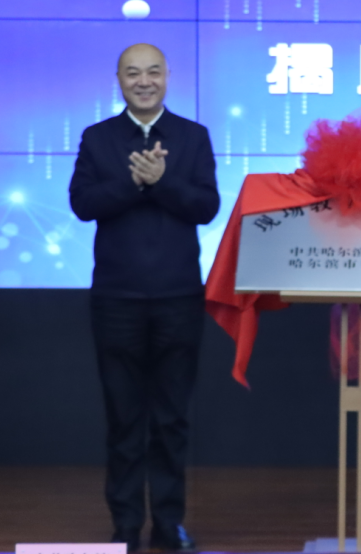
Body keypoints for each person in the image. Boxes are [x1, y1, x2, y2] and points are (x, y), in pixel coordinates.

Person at [69, 43, 220, 552]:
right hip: (117, 300)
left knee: (171, 419)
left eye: (153, 72)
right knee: (124, 418)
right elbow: (83, 204)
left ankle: (170, 524)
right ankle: (126, 525)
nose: (144, 81)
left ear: (167, 77)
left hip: (178, 298)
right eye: (133, 73)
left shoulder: (193, 136)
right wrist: (134, 183)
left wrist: (162, 182)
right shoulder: (98, 138)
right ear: (119, 80)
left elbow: (206, 206)